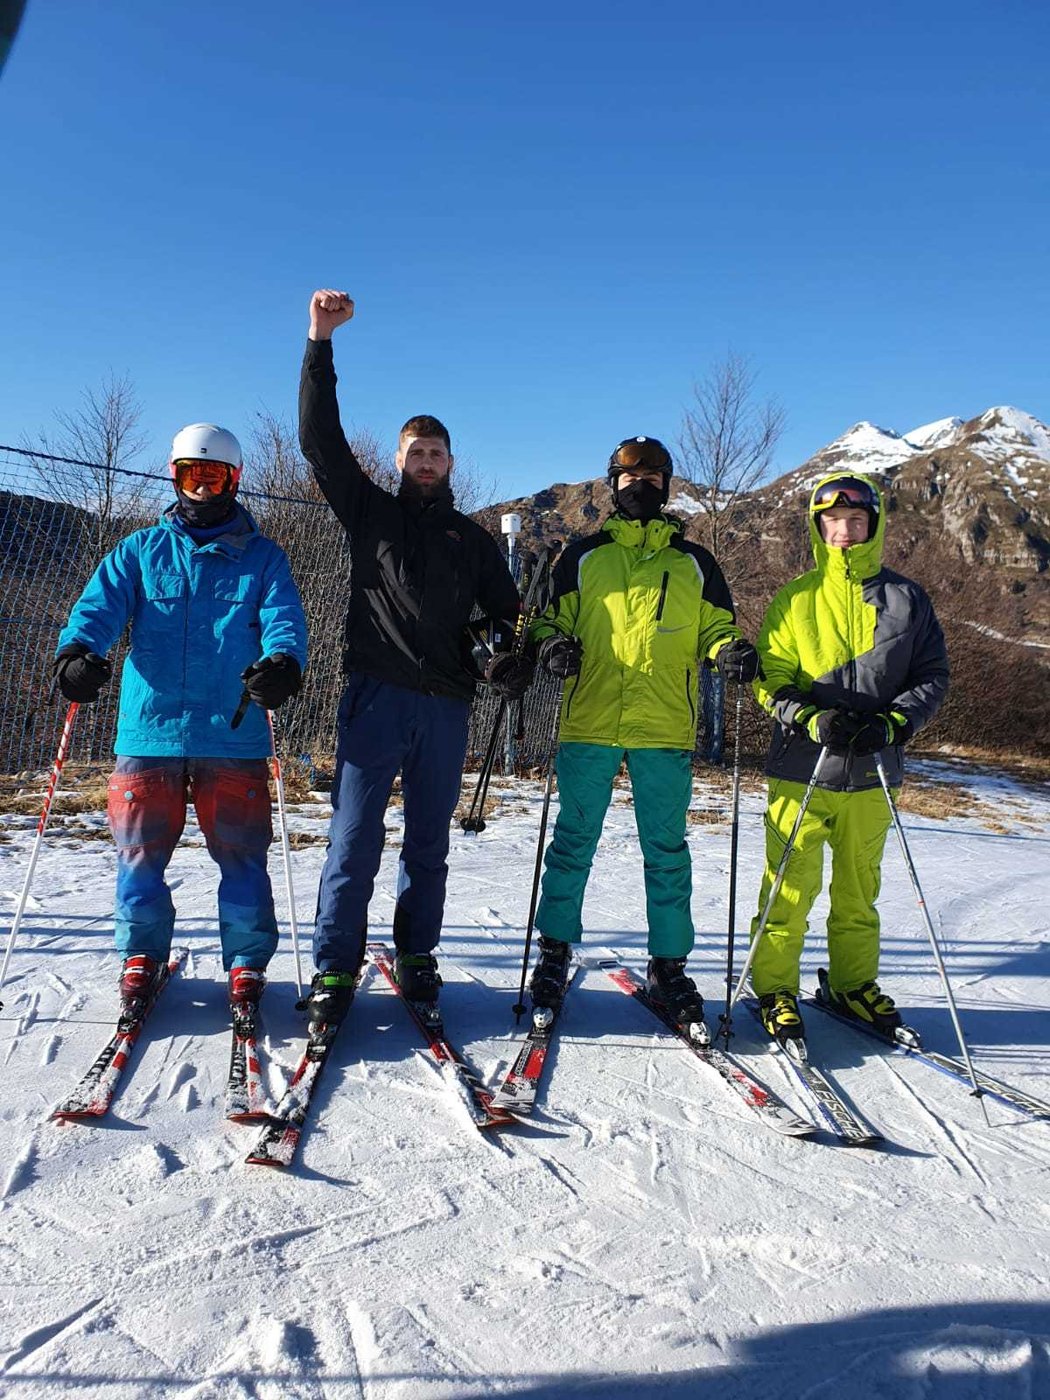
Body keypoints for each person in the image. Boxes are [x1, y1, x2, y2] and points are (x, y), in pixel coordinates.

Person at [297, 289, 528, 1030]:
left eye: (436, 453)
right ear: (398, 460)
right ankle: (336, 965)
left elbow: (505, 613)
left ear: (450, 461)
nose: (425, 461)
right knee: (355, 839)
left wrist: (499, 657)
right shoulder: (371, 512)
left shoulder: (472, 539)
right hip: (377, 695)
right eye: (414, 453)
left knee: (428, 843)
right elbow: (318, 441)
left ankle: (417, 954)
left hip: (447, 706)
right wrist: (320, 342)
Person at [54, 424, 307, 1022]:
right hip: (152, 731)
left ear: (234, 480)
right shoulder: (140, 551)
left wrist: (283, 663)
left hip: (232, 730)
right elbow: (98, 608)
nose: (200, 487)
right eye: (191, 474)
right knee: (139, 851)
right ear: (174, 476)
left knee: (242, 854)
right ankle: (140, 954)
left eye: (213, 476)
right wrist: (76, 654)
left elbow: (283, 619)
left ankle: (246, 961)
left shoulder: (263, 557)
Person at [527, 436, 760, 1038]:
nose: (642, 486)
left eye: (654, 478)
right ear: (612, 485)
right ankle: (553, 951)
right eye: (630, 478)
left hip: (663, 727)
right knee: (573, 840)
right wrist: (552, 644)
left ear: (667, 486)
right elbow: (552, 620)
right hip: (591, 721)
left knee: (667, 851)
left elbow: (716, 627)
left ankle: (668, 966)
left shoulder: (694, 563)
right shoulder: (581, 557)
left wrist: (729, 650)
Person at [748, 472, 949, 1047]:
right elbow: (770, 678)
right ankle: (775, 988)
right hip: (801, 767)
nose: (845, 533)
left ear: (874, 525)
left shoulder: (907, 599)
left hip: (874, 771)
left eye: (856, 522)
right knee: (789, 884)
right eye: (833, 523)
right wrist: (811, 717)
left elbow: (931, 675)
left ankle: (851, 983)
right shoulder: (797, 599)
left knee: (859, 889)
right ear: (818, 529)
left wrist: (895, 722)